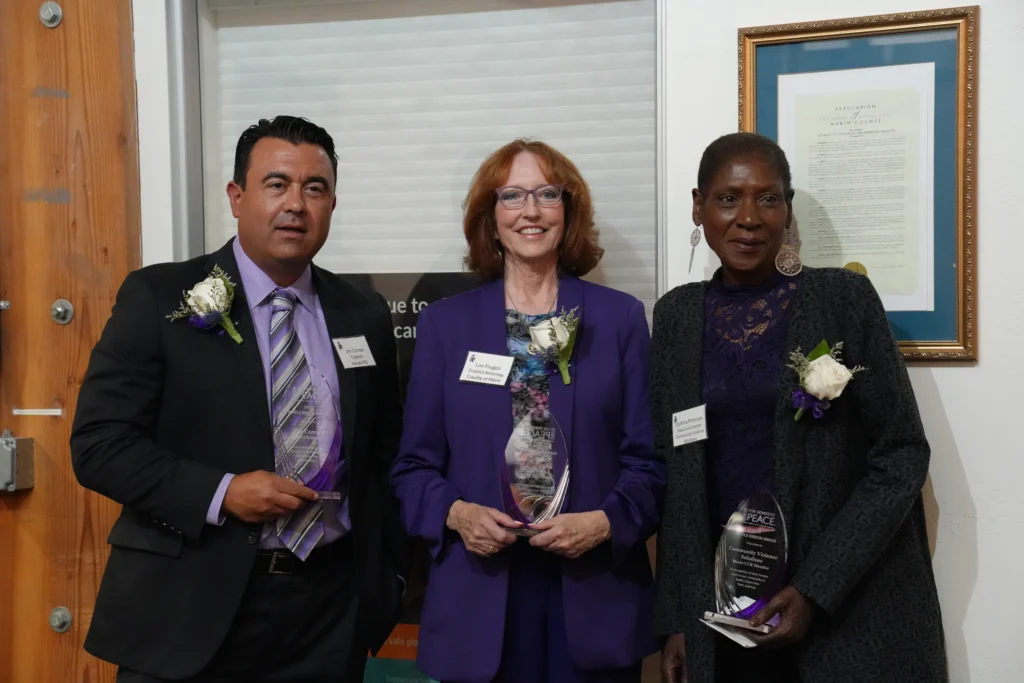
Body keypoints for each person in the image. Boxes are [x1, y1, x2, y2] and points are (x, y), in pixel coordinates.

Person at [70, 115, 408, 683]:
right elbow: (100, 446)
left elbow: (383, 456)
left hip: (327, 613)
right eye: (277, 184)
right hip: (191, 608)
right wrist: (222, 492)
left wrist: (387, 581)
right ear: (236, 196)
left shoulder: (363, 312)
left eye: (315, 188)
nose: (296, 204)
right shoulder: (160, 298)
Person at [653, 132, 947, 683]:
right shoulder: (675, 317)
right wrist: (677, 619)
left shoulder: (843, 300)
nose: (749, 218)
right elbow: (676, 480)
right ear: (698, 205)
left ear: (787, 210)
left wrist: (816, 587)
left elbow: (902, 453)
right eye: (727, 198)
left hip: (843, 611)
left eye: (769, 198)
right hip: (724, 613)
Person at [390, 139, 665, 683]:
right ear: (491, 219)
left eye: (546, 194)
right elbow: (412, 469)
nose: (531, 211)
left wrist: (606, 521)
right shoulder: (447, 326)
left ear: (570, 210)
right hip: (480, 598)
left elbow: (650, 464)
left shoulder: (620, 320)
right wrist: (457, 514)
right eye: (512, 195)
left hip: (591, 595)